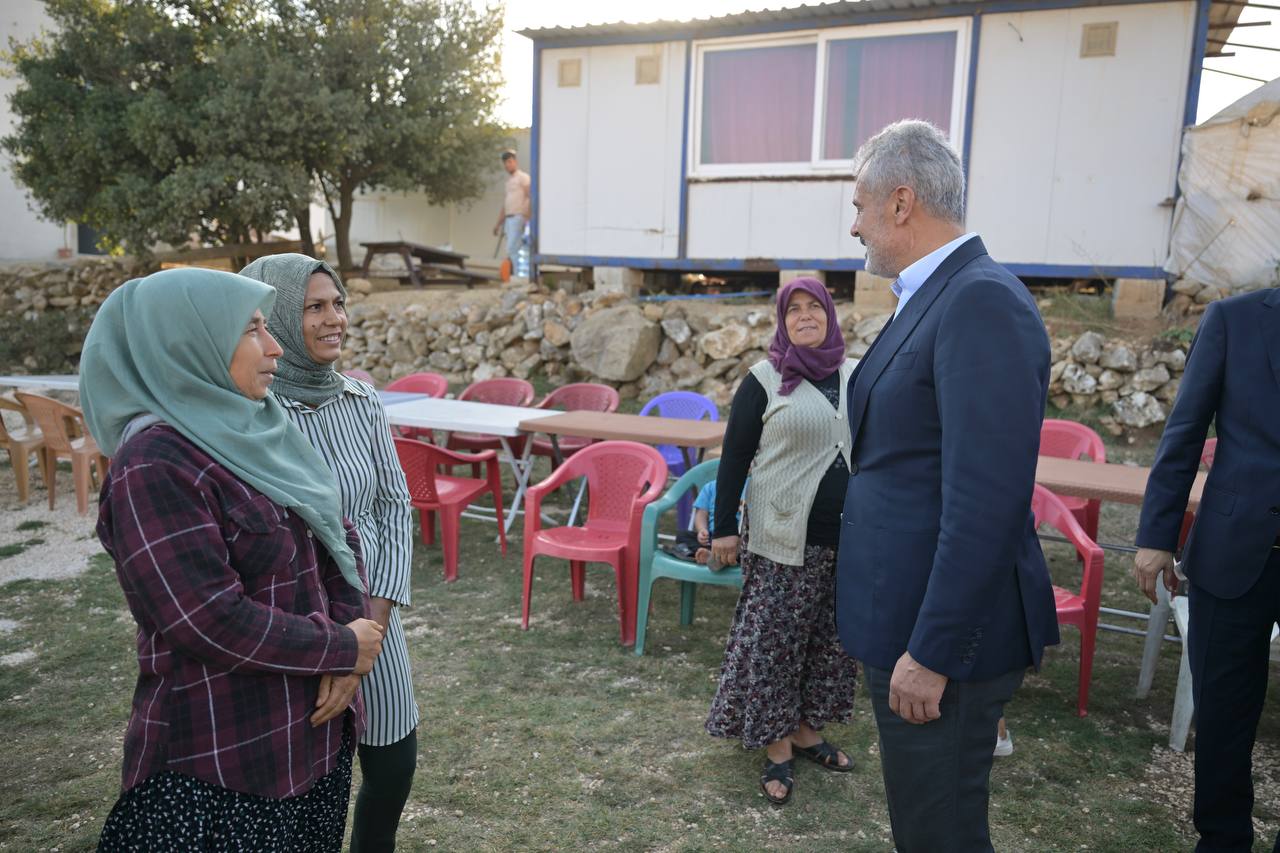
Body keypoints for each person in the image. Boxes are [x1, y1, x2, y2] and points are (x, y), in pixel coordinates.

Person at [80, 268, 386, 851]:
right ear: (188, 342)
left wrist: (351, 652)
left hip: (314, 743)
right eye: (250, 331)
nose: (274, 347)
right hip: (225, 764)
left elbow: (334, 534)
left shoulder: (256, 426)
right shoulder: (154, 462)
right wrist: (342, 646)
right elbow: (206, 618)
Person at [836, 120, 1059, 852]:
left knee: (941, 834)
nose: (854, 223)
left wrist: (932, 651)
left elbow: (986, 501)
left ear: (902, 203)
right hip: (906, 616)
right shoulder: (932, 293)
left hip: (942, 640)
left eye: (862, 204)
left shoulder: (978, 301)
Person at [240, 254, 419, 853]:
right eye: (312, 307)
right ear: (277, 320)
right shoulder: (254, 415)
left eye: (337, 303)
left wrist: (374, 620)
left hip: (374, 615)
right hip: (295, 622)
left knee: (392, 767)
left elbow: (394, 506)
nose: (332, 319)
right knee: (305, 783)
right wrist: (332, 639)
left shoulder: (361, 401)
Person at [1133, 288, 1280, 852]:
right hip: (1233, 550)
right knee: (1223, 716)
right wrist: (1155, 536)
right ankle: (1222, 840)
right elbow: (1185, 431)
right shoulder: (1234, 320)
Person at [706, 277, 859, 806]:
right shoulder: (765, 380)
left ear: (829, 314)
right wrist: (723, 526)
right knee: (775, 646)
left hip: (846, 540)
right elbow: (733, 457)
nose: (804, 317)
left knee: (828, 644)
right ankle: (776, 748)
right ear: (782, 322)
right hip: (779, 537)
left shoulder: (856, 375)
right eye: (792, 311)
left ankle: (805, 729)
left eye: (813, 307)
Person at [492, 149, 531, 264]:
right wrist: (498, 224)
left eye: (509, 161)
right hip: (509, 220)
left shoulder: (523, 177)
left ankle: (518, 277)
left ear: (515, 162)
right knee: (512, 250)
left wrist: (528, 218)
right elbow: (505, 205)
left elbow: (530, 196)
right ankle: (514, 276)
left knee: (512, 248)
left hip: (519, 217)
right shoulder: (509, 182)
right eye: (505, 163)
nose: (507, 165)